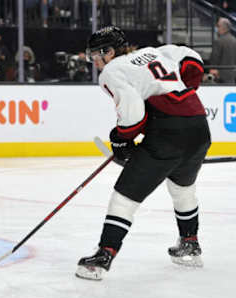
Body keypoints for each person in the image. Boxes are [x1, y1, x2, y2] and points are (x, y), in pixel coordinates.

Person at [76, 26, 211, 280]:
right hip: (198, 124)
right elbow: (192, 60)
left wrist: (120, 139)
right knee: (182, 189)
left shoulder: (112, 71)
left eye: (96, 55)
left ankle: (103, 256)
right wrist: (181, 93)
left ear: (110, 51)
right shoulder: (153, 52)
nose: (94, 61)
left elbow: (134, 113)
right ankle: (190, 245)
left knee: (124, 196)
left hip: (168, 134)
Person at [209, 17, 236, 83]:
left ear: (222, 27)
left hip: (220, 76)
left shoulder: (218, 41)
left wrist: (212, 69)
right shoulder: (234, 40)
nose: (217, 28)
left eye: (218, 26)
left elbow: (215, 58)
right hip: (233, 75)